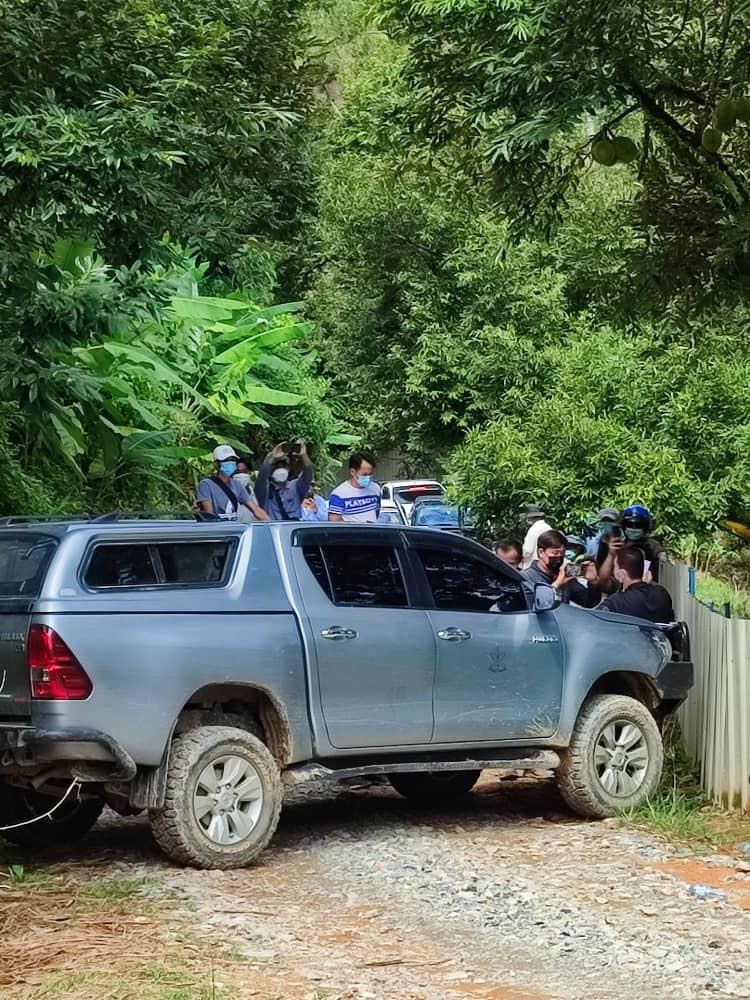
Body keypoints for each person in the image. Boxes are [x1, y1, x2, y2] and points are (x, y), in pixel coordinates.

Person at [522, 529, 601, 608]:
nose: (559, 557)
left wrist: (593, 583)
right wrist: (558, 583)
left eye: (562, 553)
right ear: (541, 552)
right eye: (555, 553)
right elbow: (536, 607)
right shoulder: (526, 578)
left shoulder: (564, 575)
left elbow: (588, 602)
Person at [599, 545, 674, 623]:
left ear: (621, 574)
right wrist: (647, 585)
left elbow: (595, 618)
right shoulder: (662, 593)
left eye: (615, 567)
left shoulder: (616, 602)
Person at [196, 446, 269, 522]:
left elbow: (256, 510)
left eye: (232, 460)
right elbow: (209, 514)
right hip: (217, 530)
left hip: (233, 529)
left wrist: (272, 525)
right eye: (226, 460)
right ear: (216, 464)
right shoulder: (206, 484)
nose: (230, 463)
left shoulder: (237, 485)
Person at [255, 441, 314, 521]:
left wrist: (303, 455)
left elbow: (308, 473)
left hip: (293, 530)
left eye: (284, 464)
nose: (280, 467)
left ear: (288, 468)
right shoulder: (265, 490)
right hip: (272, 531)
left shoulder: (296, 487)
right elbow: (261, 477)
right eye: (276, 465)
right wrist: (272, 457)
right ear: (271, 469)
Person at [328, 451, 381, 523]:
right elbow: (334, 522)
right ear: (353, 472)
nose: (368, 477)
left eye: (370, 474)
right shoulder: (339, 494)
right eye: (364, 474)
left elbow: (376, 512)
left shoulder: (375, 489)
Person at [521, 503, 553, 569]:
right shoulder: (548, 527)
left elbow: (527, 551)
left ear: (529, 517)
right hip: (546, 564)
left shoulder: (533, 529)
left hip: (532, 566)